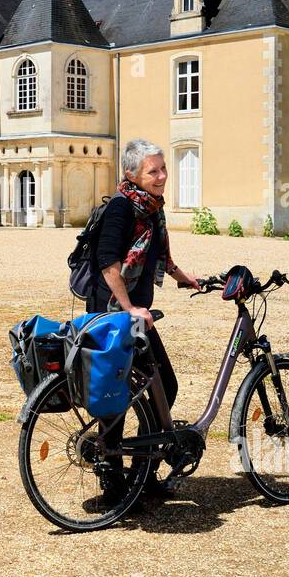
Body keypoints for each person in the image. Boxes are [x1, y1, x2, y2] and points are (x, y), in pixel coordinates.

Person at [88, 138, 203, 502]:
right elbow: (107, 261)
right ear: (131, 174)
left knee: (158, 388)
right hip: (114, 314)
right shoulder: (123, 208)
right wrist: (128, 308)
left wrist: (180, 274)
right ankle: (113, 481)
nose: (162, 176)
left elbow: (157, 253)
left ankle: (142, 472)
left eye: (163, 168)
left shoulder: (151, 208)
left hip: (134, 316)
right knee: (122, 392)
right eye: (153, 171)